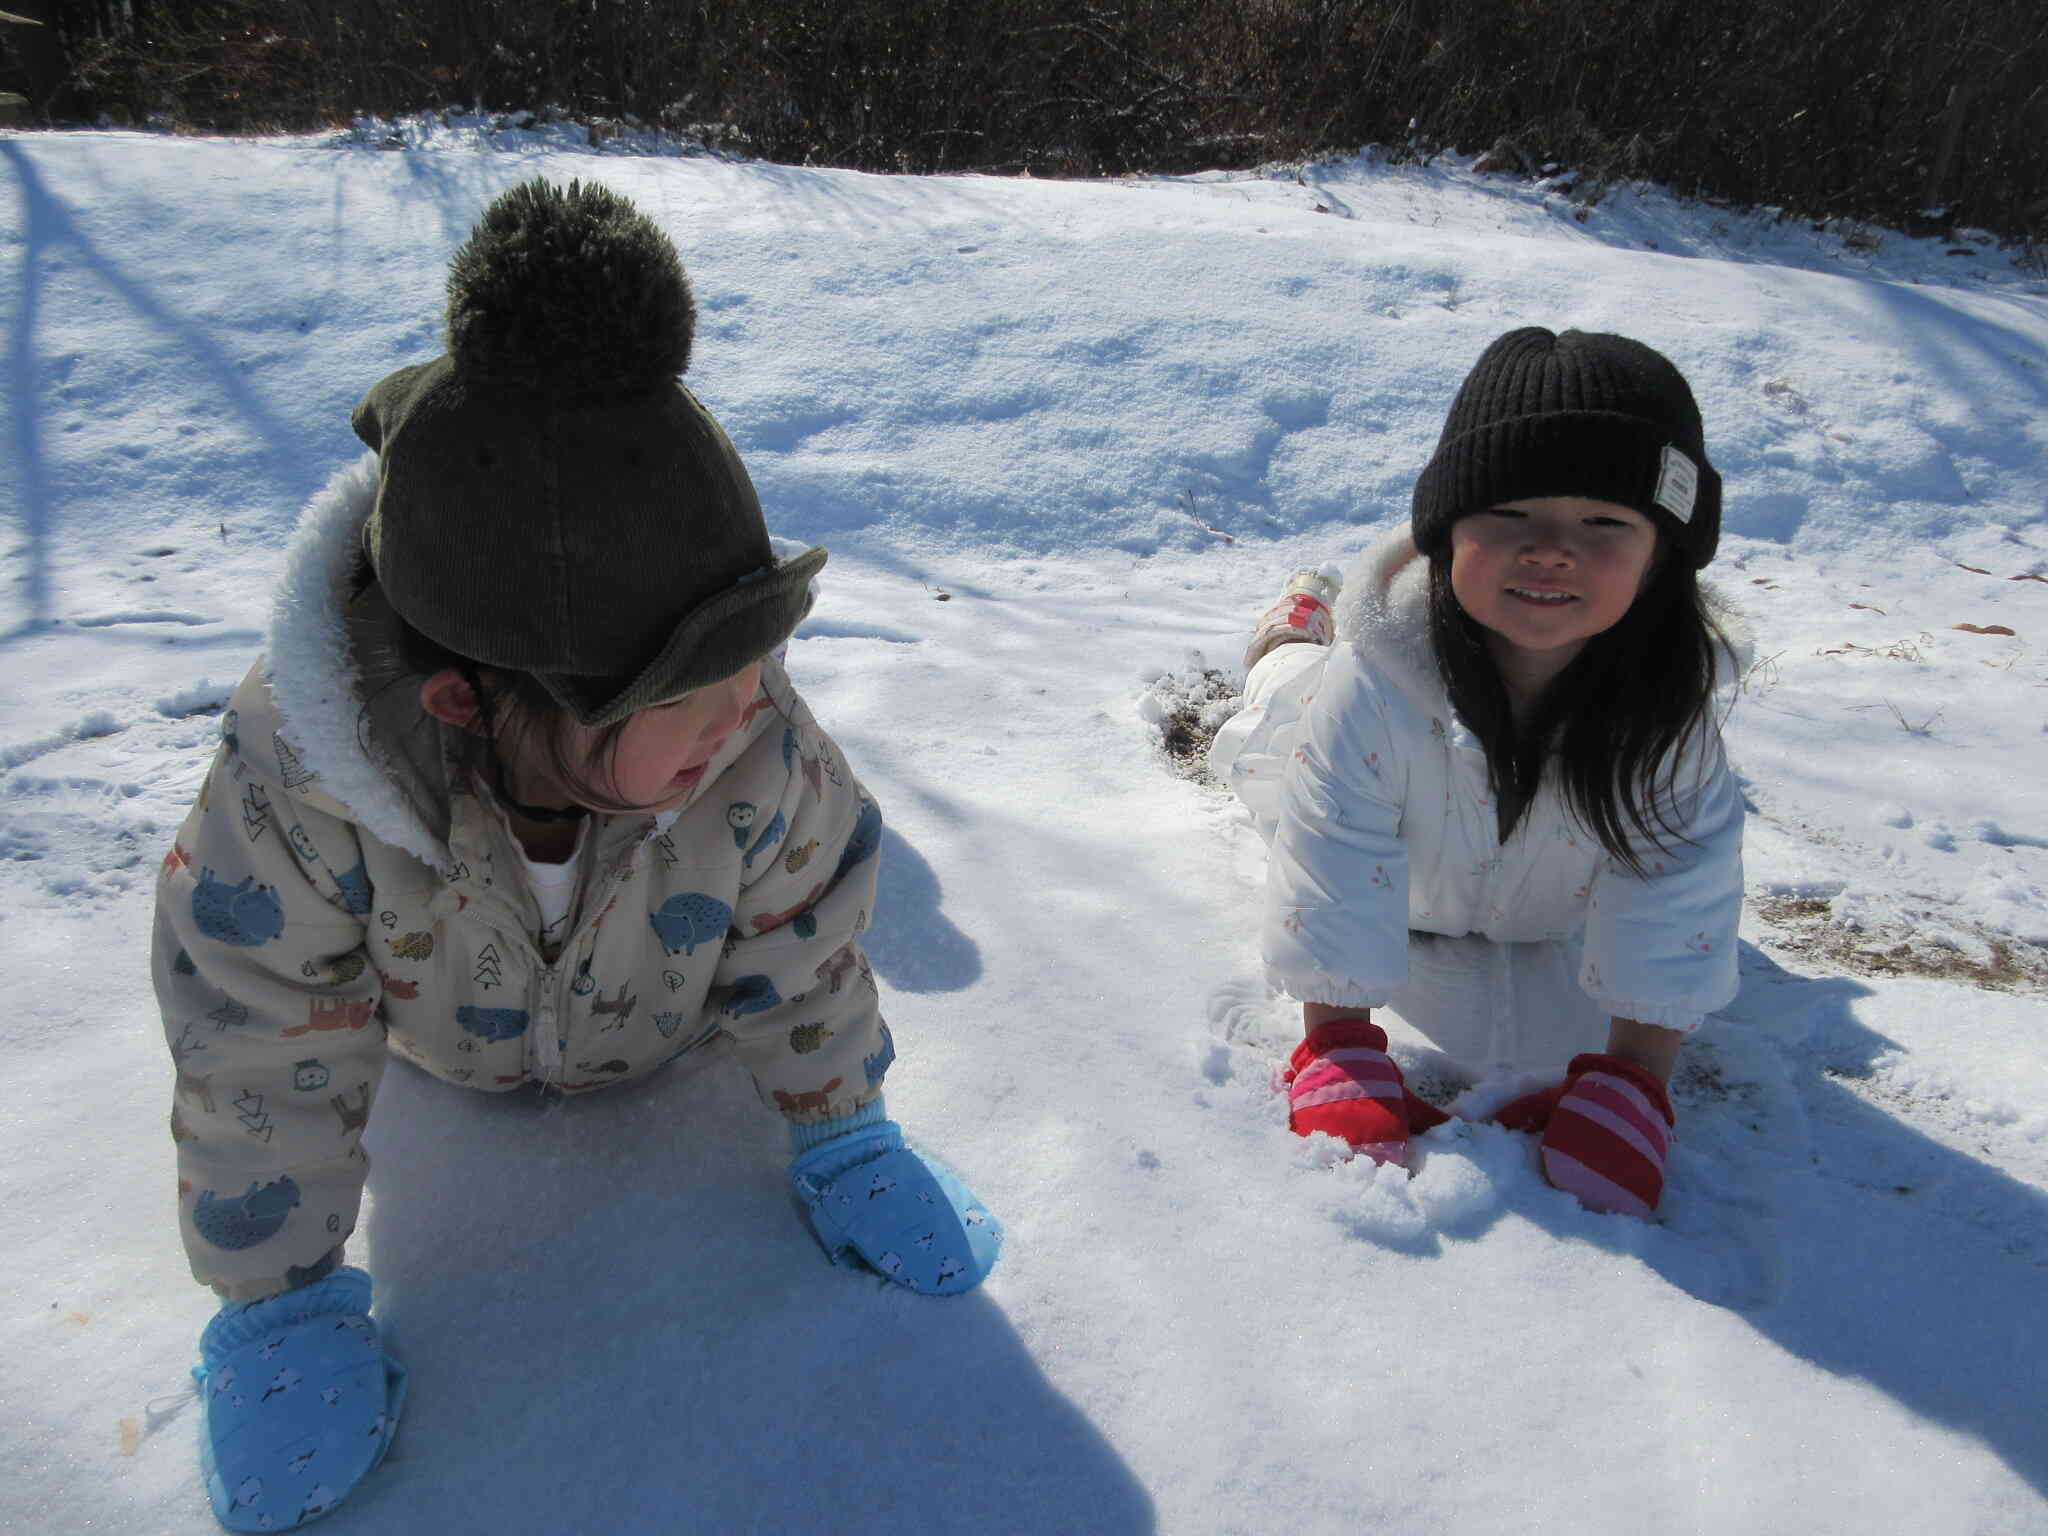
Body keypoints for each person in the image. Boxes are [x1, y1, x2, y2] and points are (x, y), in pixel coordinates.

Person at [152, 179, 999, 1533]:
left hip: (664, 1037)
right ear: (465, 699)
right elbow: (251, 1036)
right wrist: (279, 1301)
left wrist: (843, 1128)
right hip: (438, 1056)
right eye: (693, 689)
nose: (748, 710)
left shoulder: (755, 753)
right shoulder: (303, 790)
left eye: (753, 656)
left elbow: (808, 946)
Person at [1208, 326, 1745, 1222]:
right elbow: (1333, 850)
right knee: (1282, 693)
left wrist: (1635, 1080)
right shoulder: (1375, 686)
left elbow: (1678, 884)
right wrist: (1339, 1045)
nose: (1552, 550)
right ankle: (1294, 625)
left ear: (1662, 554)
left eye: (1604, 522)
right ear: (1446, 532)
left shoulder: (1670, 720)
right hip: (1344, 795)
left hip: (1544, 904)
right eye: (1511, 514)